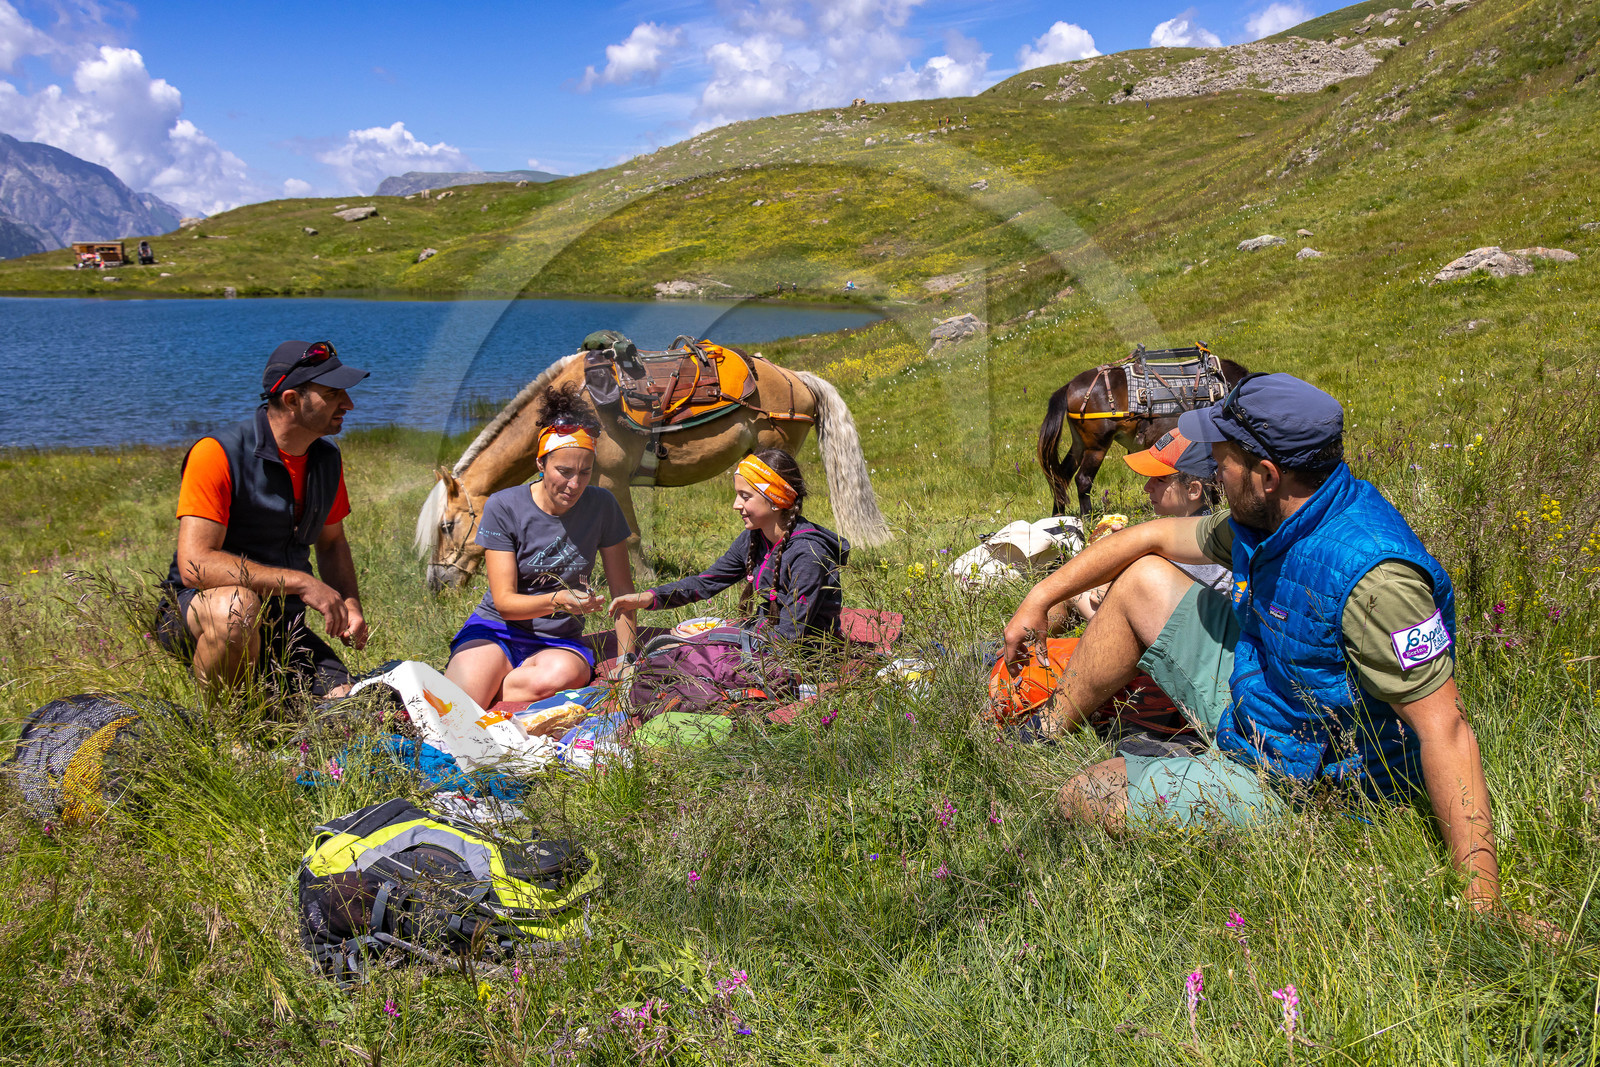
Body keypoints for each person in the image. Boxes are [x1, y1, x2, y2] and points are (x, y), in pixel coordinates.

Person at [1001, 373, 1528, 925]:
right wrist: (1040, 597)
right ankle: (1045, 729)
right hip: (1265, 693)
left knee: (1087, 795)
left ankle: (1217, 780)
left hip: (1310, 781)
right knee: (1143, 580)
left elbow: (1446, 730)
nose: (1214, 472)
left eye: (1223, 460)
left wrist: (1483, 904)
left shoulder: (1377, 582)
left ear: (1268, 475)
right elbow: (1149, 537)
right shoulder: (1274, 517)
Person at [154, 340, 370, 697]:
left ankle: (267, 699)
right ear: (291, 399)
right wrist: (301, 583)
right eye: (333, 394)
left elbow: (332, 543)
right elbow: (195, 565)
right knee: (237, 608)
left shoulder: (326, 460)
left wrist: (350, 604)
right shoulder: (216, 453)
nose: (348, 404)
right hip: (200, 610)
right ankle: (228, 727)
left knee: (345, 702)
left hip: (282, 623)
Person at [443, 383, 637, 708]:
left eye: (585, 472)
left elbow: (623, 593)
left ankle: (490, 688)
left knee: (561, 675)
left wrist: (627, 660)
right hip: (497, 628)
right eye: (564, 471)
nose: (575, 484)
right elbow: (505, 603)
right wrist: (560, 600)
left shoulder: (603, 505)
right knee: (453, 709)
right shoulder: (504, 506)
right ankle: (486, 682)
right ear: (540, 464)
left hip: (557, 641)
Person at [608, 449, 849, 648]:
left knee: (681, 658)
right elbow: (706, 583)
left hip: (805, 655)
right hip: (764, 639)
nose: (736, 505)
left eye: (745, 496)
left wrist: (719, 640)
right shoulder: (753, 539)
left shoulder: (808, 555)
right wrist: (650, 597)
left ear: (776, 499)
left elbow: (789, 635)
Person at [1062, 427, 1230, 625]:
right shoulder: (1203, 529)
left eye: (1160, 480)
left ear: (1193, 490)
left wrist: (1115, 566)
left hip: (1177, 631)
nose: (1146, 487)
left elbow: (1107, 599)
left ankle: (1034, 640)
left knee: (1074, 591)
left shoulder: (1195, 546)